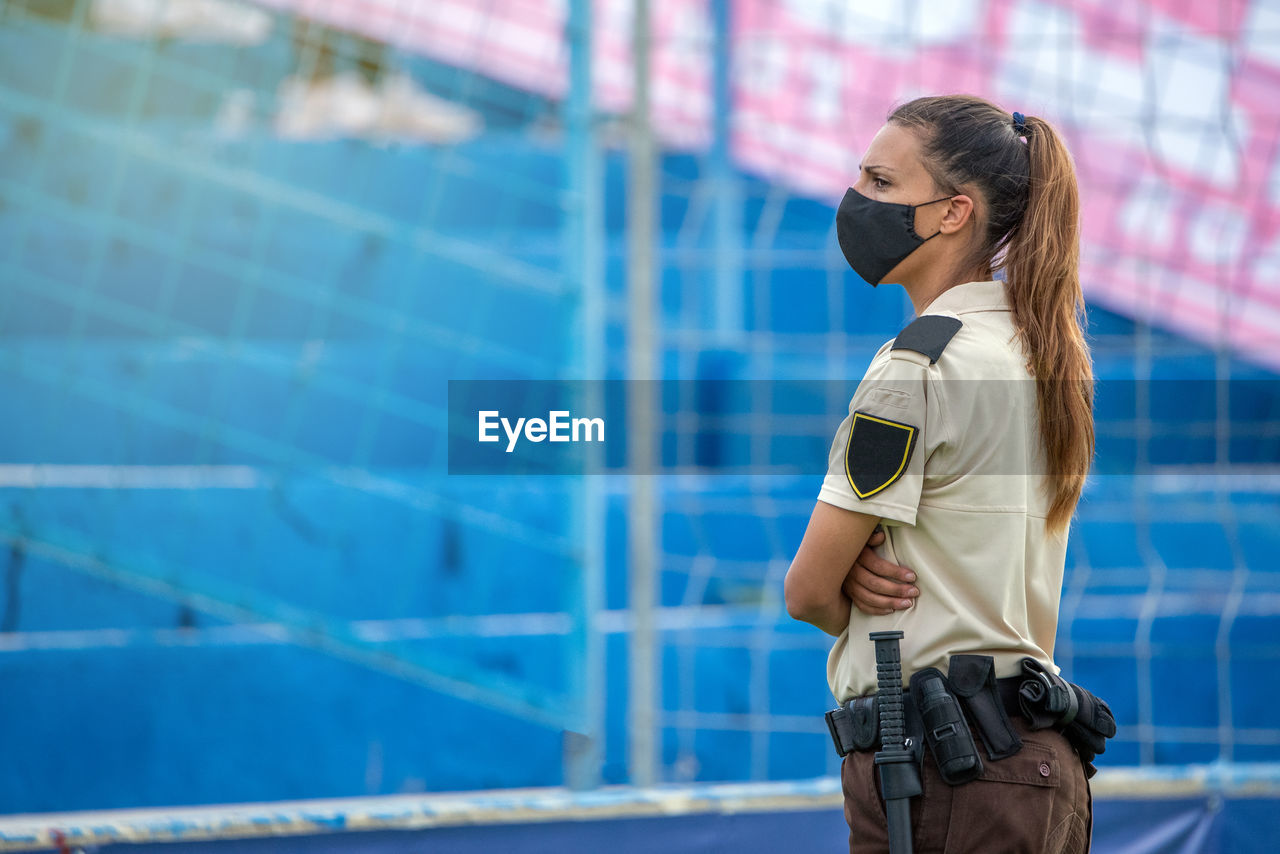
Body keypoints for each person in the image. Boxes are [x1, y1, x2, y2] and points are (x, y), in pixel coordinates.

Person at [784, 95, 1113, 853]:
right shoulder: (1041, 355)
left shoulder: (918, 363)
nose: (856, 198)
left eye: (880, 181)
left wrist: (849, 586)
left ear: (952, 213)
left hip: (944, 772)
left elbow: (807, 592)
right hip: (1035, 766)